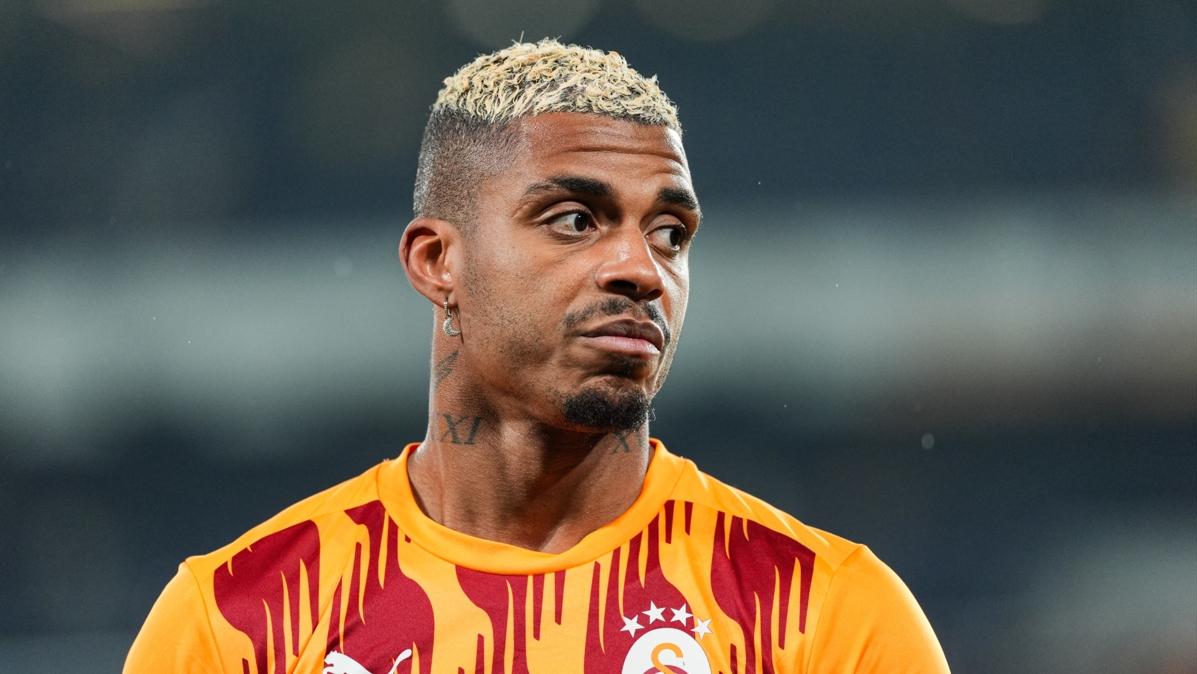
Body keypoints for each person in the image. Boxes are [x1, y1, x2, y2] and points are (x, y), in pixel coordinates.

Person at [125, 39, 950, 674]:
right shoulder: (237, 624)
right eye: (575, 220)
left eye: (670, 233)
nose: (642, 270)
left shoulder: (827, 618)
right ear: (437, 262)